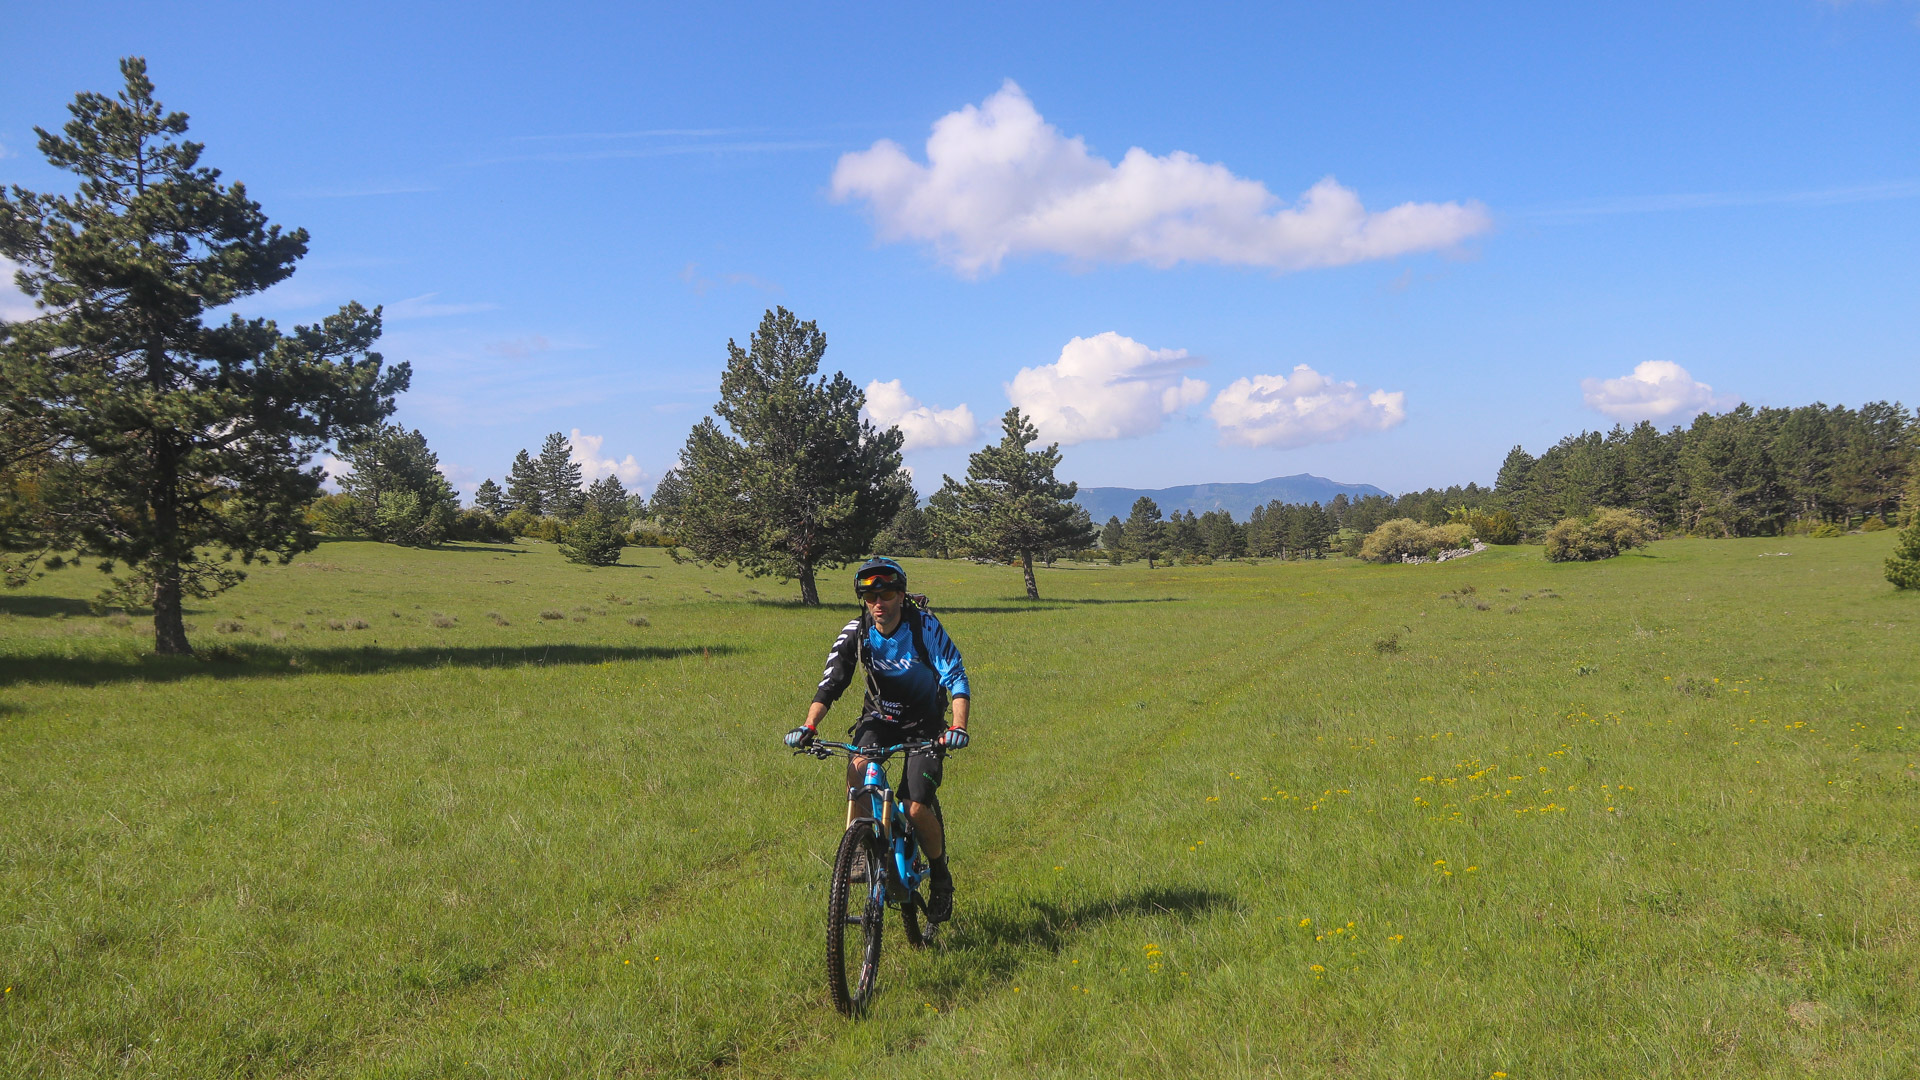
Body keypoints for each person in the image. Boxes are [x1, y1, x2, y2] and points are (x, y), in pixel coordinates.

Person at [785, 557, 970, 923]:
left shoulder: (924, 627)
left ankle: (940, 876)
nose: (877, 601)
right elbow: (831, 683)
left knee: (915, 807)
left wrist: (958, 727)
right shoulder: (856, 631)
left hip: (925, 726)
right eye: (869, 595)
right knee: (858, 769)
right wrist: (809, 726)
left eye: (885, 592)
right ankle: (860, 844)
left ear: (901, 595)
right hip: (879, 719)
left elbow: (956, 677)